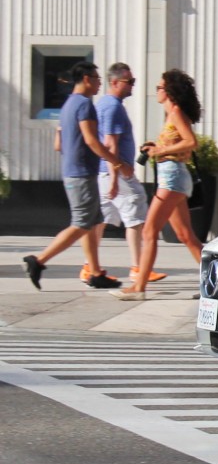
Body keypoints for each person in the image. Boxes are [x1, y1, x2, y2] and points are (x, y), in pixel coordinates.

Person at [22, 61, 134, 291]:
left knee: (93, 221)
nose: (99, 82)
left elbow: (58, 144)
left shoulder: (68, 104)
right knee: (82, 223)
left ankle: (95, 273)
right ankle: (38, 261)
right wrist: (116, 161)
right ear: (86, 79)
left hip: (74, 172)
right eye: (96, 78)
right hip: (82, 173)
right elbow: (92, 140)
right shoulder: (84, 105)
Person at [112, 69, 204, 300]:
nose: (157, 92)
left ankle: (139, 287)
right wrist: (156, 146)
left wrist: (160, 150)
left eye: (159, 88)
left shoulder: (175, 113)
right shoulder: (171, 115)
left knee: (150, 231)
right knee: (186, 236)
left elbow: (191, 142)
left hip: (172, 178)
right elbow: (180, 142)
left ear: (170, 91)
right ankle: (216, 285)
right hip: (172, 176)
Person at [90, 62, 165, 284]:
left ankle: (89, 266)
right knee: (135, 214)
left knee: (101, 219)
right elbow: (110, 144)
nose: (133, 85)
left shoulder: (104, 104)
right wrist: (117, 175)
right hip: (118, 171)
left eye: (133, 81)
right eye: (129, 81)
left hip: (106, 171)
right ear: (114, 83)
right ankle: (138, 267)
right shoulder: (113, 107)